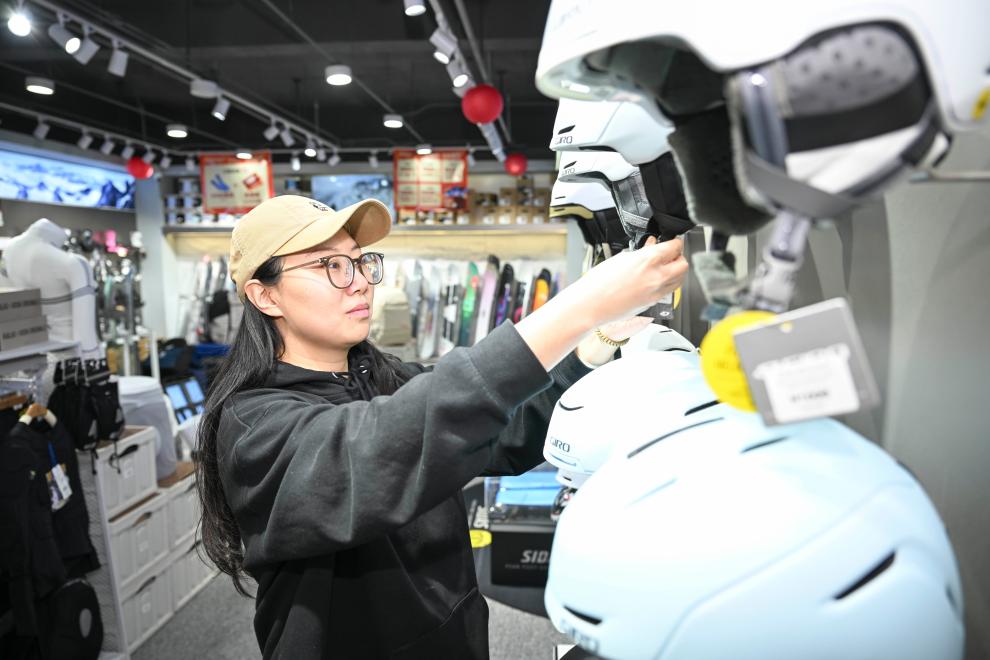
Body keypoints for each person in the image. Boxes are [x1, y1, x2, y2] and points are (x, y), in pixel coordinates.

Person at [196, 194, 687, 659]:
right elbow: (378, 446)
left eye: (361, 262)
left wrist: (596, 343)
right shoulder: (254, 426)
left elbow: (501, 428)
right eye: (330, 265)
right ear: (265, 295)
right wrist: (582, 307)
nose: (360, 281)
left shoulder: (385, 377)